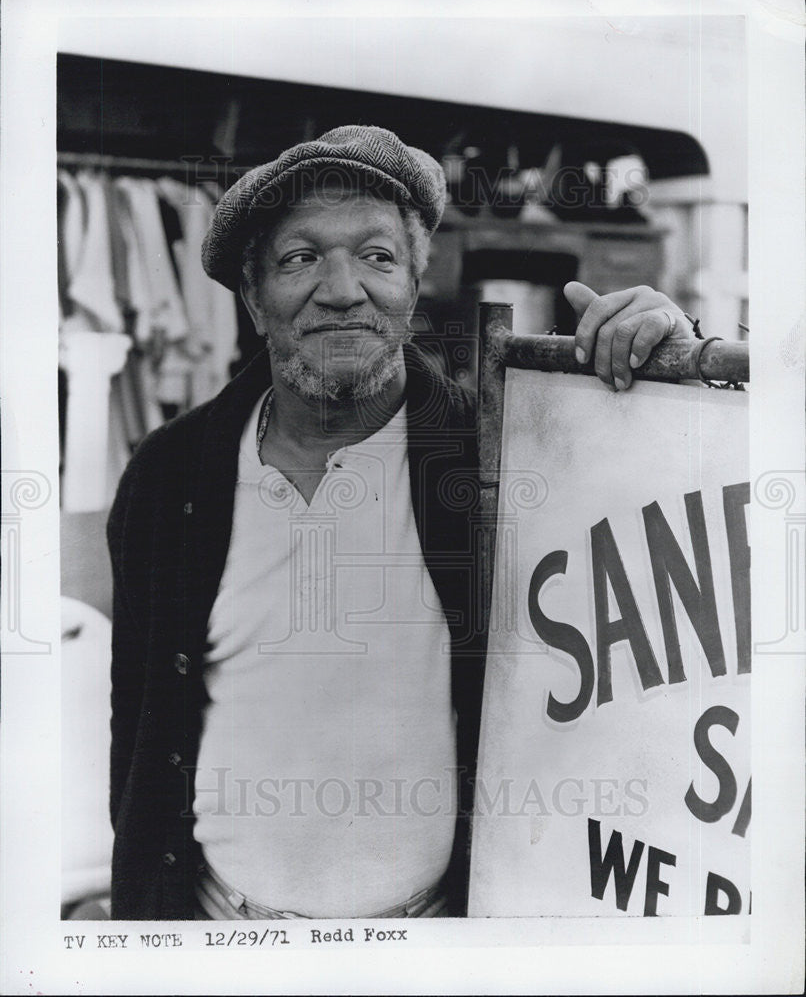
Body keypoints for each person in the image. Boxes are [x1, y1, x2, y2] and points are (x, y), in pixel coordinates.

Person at [107, 125, 692, 920]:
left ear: (415, 285)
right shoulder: (169, 477)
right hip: (220, 930)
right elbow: (137, 720)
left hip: (429, 937)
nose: (343, 289)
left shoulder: (501, 458)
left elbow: (661, 548)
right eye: (300, 257)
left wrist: (674, 372)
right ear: (252, 298)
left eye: (378, 256)